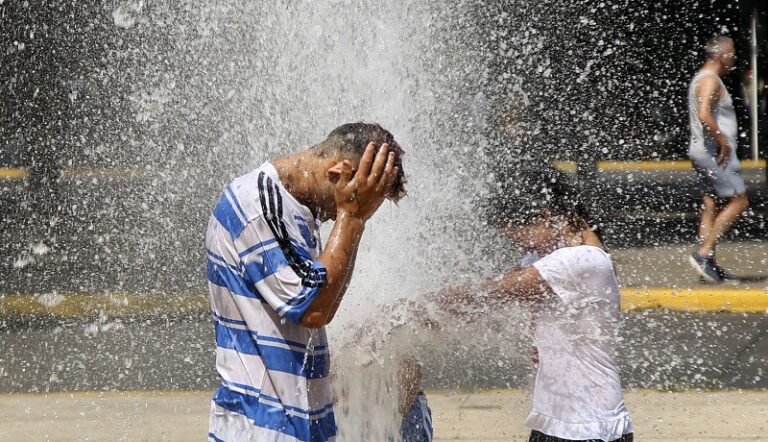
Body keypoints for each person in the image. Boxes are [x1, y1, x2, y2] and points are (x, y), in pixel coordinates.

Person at [205, 122, 406, 442]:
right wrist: (352, 218)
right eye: (363, 198)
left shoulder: (295, 209)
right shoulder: (258, 206)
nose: (361, 209)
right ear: (339, 173)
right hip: (261, 427)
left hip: (292, 426)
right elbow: (313, 309)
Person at [433, 167, 633, 442]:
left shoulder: (581, 260)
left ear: (546, 218)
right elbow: (483, 297)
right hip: (557, 422)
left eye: (520, 237)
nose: (522, 249)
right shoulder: (557, 256)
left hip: (589, 427)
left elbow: (490, 292)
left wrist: (416, 306)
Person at [687, 35, 749, 283]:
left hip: (702, 151)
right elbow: (704, 114)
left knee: (711, 205)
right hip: (714, 153)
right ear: (722, 56)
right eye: (732, 54)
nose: (734, 59)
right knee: (739, 201)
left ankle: (707, 266)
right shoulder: (711, 80)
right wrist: (723, 140)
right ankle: (703, 254)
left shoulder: (700, 78)